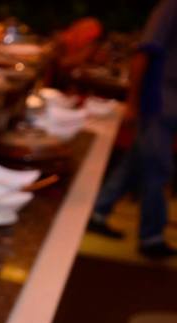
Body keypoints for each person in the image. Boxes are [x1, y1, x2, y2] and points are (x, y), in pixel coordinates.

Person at [88, 0, 177, 259]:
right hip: (157, 103)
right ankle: (151, 237)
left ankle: (98, 211)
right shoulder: (171, 8)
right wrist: (133, 102)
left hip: (166, 105)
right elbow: (143, 55)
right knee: (158, 169)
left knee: (136, 162)